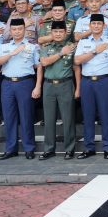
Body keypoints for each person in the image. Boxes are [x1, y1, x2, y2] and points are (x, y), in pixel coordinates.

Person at [0, 18, 42, 160]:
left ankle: (29, 148)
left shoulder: (32, 47)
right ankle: (10, 149)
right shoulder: (4, 47)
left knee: (26, 116)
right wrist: (11, 54)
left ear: (25, 30)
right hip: (7, 83)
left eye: (20, 29)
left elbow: (39, 67)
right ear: (10, 31)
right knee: (9, 117)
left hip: (25, 83)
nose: (17, 32)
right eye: (14, 29)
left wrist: (38, 86)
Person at [74, 14, 108, 160]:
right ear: (89, 26)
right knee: (88, 116)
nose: (96, 26)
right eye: (93, 24)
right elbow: (77, 61)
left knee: (105, 115)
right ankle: (89, 148)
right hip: (87, 82)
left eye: (99, 24)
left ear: (104, 26)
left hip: (104, 81)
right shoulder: (83, 42)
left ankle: (107, 147)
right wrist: (95, 51)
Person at [38, 21, 78, 160]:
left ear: (66, 32)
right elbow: (44, 62)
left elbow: (76, 67)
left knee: (68, 118)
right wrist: (61, 53)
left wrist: (78, 87)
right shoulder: (46, 47)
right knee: (49, 119)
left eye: (61, 31)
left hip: (65, 84)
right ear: (51, 33)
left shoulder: (72, 47)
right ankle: (49, 149)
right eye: (55, 31)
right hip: (49, 85)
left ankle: (69, 149)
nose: (58, 34)